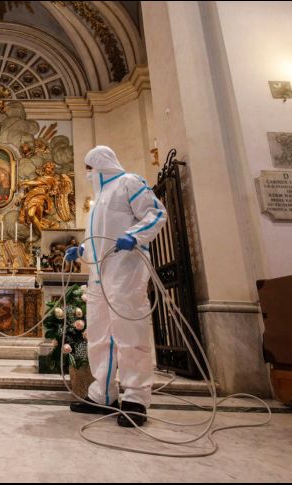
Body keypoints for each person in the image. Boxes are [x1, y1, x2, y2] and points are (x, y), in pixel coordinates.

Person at [65, 146, 168, 427]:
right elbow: (98, 239)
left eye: (88, 167)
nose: (87, 173)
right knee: (99, 335)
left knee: (129, 333)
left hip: (125, 269)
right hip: (99, 274)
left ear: (99, 164)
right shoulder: (98, 199)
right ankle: (103, 395)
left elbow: (156, 214)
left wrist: (134, 235)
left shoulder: (128, 183)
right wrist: (82, 252)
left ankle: (135, 398)